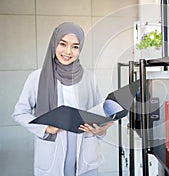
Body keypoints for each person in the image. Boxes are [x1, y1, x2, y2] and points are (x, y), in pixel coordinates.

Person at [12, 22, 114, 176]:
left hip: (84, 149)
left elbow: (99, 113)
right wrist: (45, 128)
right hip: (53, 147)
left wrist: (100, 129)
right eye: (63, 44)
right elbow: (19, 113)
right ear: (54, 44)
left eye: (75, 46)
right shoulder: (37, 77)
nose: (68, 51)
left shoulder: (89, 77)